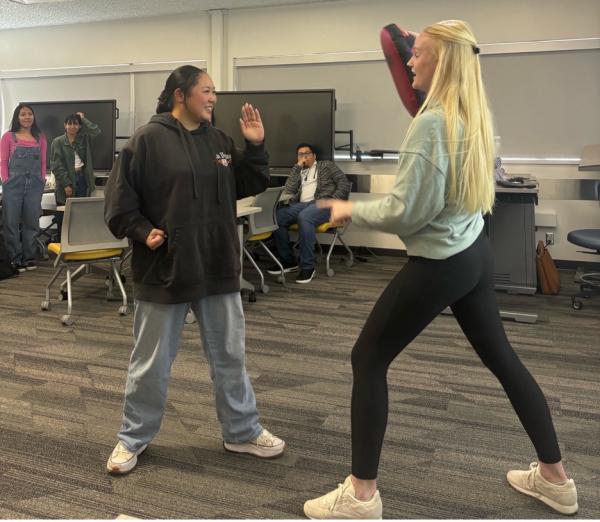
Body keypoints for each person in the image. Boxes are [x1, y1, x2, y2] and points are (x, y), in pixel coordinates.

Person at [303, 20, 578, 519]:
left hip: (441, 262)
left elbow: (408, 212)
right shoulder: (474, 115)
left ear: (444, 63)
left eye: (420, 54)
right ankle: (556, 479)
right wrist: (415, 37)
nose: (409, 61)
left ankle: (361, 496)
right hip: (473, 253)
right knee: (503, 360)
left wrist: (348, 211)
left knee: (367, 359)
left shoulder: (432, 124)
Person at [103, 65, 285, 474]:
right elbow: (117, 206)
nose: (213, 97)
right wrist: (141, 230)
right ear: (179, 95)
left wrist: (255, 147)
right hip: (165, 270)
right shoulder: (145, 141)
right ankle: (132, 438)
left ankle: (242, 432)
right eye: (206, 90)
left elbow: (247, 182)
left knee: (229, 356)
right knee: (150, 363)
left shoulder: (218, 140)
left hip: (217, 266)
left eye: (214, 91)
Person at [266, 143, 351, 284]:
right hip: (302, 205)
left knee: (305, 216)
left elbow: (344, 183)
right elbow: (289, 190)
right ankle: (288, 261)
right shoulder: (299, 170)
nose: (304, 156)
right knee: (277, 217)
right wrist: (297, 167)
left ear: (314, 155)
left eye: (307, 153)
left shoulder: (326, 166)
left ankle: (308, 267)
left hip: (323, 203)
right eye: (300, 154)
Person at [0, 103, 47, 271]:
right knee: (11, 222)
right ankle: (15, 258)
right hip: (13, 185)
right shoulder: (8, 137)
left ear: (33, 117)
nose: (27, 117)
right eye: (23, 114)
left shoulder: (40, 137)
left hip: (35, 184)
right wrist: (6, 181)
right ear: (17, 118)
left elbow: (43, 162)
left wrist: (41, 179)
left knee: (31, 222)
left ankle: (28, 257)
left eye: (29, 114)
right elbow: (3, 162)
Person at [50, 112, 100, 238]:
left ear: (79, 126)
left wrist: (83, 119)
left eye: (76, 124)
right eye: (69, 124)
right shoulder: (58, 142)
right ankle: (63, 244)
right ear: (65, 126)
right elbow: (56, 165)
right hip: (65, 181)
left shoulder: (84, 138)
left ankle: (78, 242)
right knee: (64, 213)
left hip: (82, 178)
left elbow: (96, 131)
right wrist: (66, 184)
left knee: (81, 213)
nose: (72, 127)